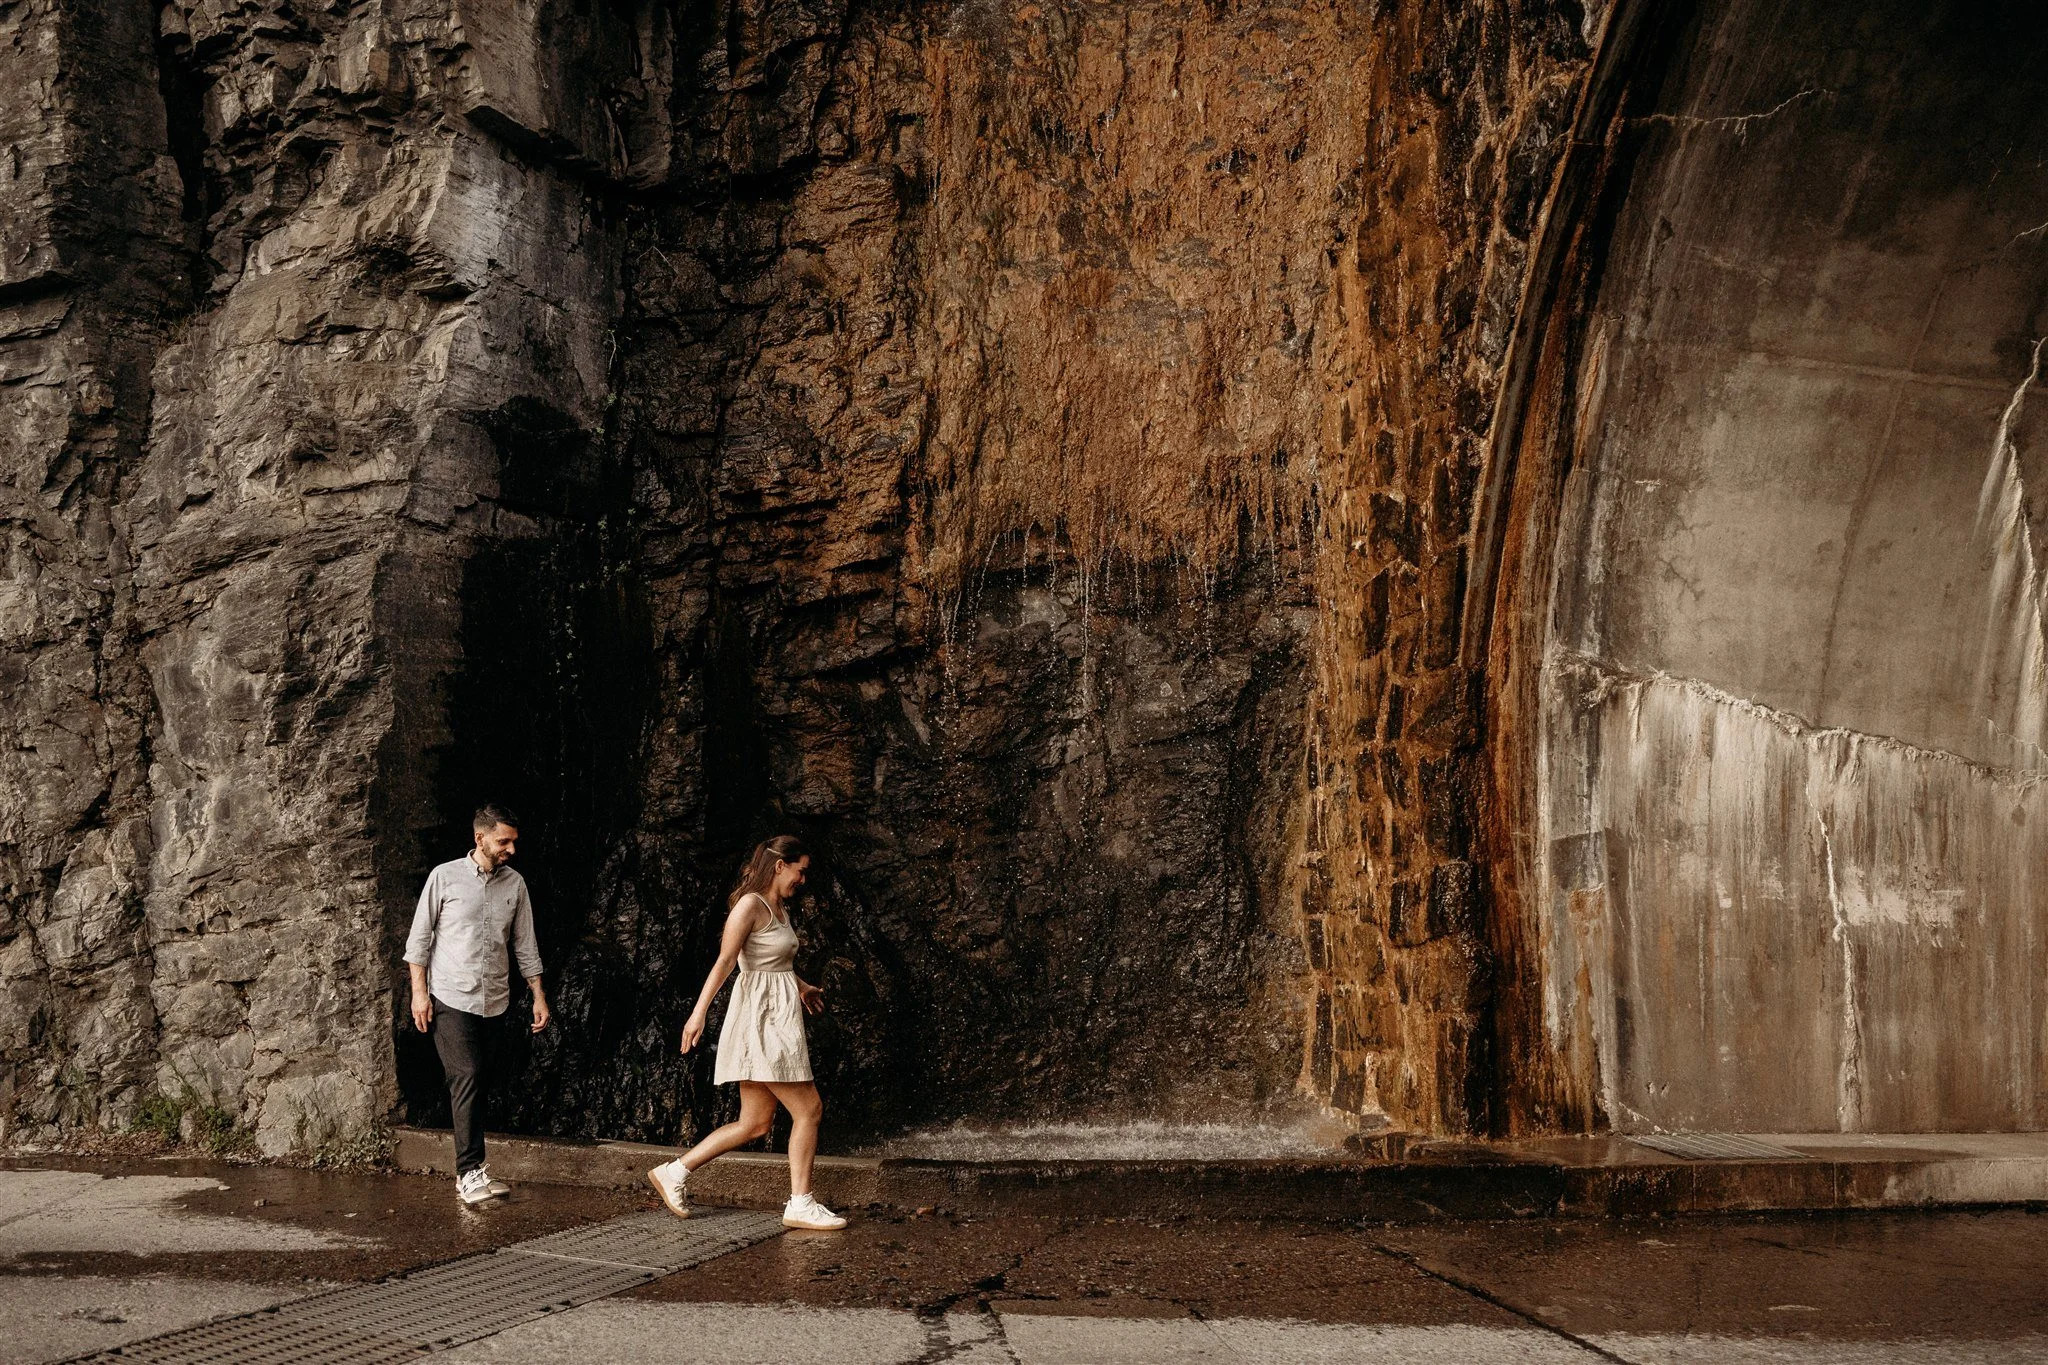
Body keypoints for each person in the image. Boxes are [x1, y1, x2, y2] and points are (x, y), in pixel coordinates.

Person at [648, 835, 846, 1231]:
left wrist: (801, 986)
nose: (803, 879)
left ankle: (673, 1172)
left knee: (754, 1123)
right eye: (800, 870)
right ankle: (800, 1202)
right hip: (762, 1021)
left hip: (777, 1011)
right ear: (779, 865)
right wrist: (698, 1014)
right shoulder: (749, 906)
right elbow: (726, 962)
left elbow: (773, 963)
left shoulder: (779, 908)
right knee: (809, 1110)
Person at [404, 802, 550, 1206]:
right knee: (465, 1074)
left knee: (480, 1080)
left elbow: (525, 943)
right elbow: (418, 941)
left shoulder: (515, 884)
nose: (511, 850)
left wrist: (538, 994)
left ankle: (475, 1170)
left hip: (496, 1000)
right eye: (503, 841)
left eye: (514, 842)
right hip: (450, 996)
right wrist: (419, 993)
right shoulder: (444, 877)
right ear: (479, 837)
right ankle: (468, 1173)